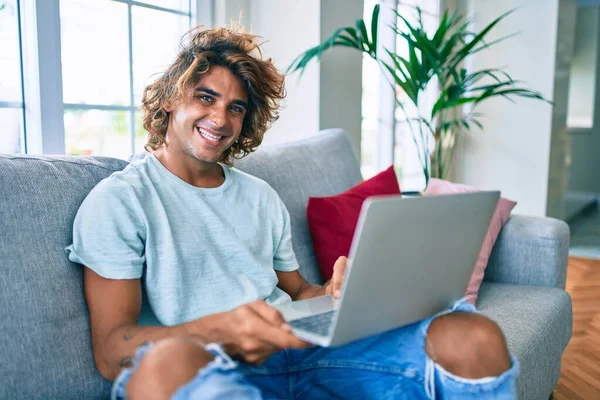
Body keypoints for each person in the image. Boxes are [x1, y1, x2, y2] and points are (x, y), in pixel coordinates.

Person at [66, 25, 518, 400]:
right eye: (205, 98)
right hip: (212, 366)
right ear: (169, 99)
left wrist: (337, 296)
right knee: (167, 364)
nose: (220, 118)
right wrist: (218, 331)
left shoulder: (260, 196)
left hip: (305, 353)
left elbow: (299, 290)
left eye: (235, 107)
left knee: (471, 335)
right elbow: (111, 352)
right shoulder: (120, 201)